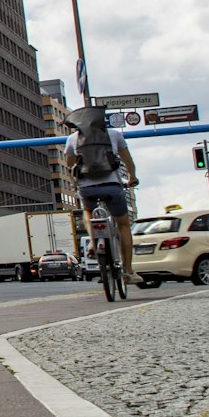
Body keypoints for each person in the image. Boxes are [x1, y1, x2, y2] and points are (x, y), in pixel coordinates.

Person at [61, 107, 140, 289]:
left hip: (87, 188)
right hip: (112, 186)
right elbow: (128, 161)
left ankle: (93, 240)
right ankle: (128, 271)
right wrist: (132, 178)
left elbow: (69, 163)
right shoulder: (114, 135)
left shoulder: (73, 139)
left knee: (88, 211)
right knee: (123, 225)